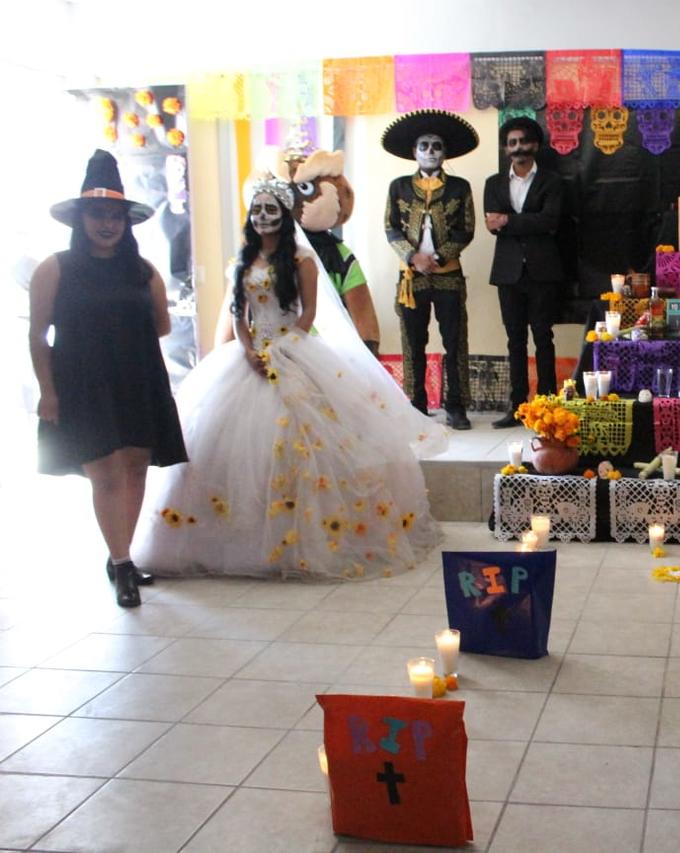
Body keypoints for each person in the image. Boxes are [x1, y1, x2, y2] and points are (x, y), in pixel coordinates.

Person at [131, 173, 447, 579]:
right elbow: (238, 313)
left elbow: (308, 311)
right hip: (249, 355)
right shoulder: (242, 261)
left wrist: (284, 347)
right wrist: (248, 351)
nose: (263, 216)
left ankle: (301, 538)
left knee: (307, 438)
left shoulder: (301, 260)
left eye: (270, 209)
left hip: (292, 349)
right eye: (257, 210)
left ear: (283, 214)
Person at [29, 149, 187, 607]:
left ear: (126, 222)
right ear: (80, 219)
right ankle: (121, 564)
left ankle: (123, 554)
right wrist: (47, 392)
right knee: (104, 471)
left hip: (138, 377)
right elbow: (37, 334)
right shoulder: (55, 267)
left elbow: (162, 326)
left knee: (136, 465)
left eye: (115, 215)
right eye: (97, 214)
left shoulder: (142, 270)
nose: (107, 223)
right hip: (82, 382)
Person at [382, 110, 478, 430]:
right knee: (413, 342)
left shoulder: (460, 187)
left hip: (448, 274)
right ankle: (417, 405)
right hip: (411, 278)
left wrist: (436, 257)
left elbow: (466, 230)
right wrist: (413, 257)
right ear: (414, 151)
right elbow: (391, 228)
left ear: (445, 152)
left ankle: (456, 407)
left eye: (437, 146)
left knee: (455, 341)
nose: (430, 151)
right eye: (424, 146)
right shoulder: (398, 187)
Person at [484, 116, 565, 428]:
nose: (518, 147)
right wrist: (524, 222)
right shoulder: (493, 183)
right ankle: (517, 407)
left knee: (543, 337)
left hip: (543, 270)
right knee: (514, 340)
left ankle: (547, 405)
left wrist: (509, 221)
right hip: (508, 272)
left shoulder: (552, 181)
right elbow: (492, 224)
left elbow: (551, 221)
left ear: (535, 145)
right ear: (506, 148)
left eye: (523, 141)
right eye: (512, 142)